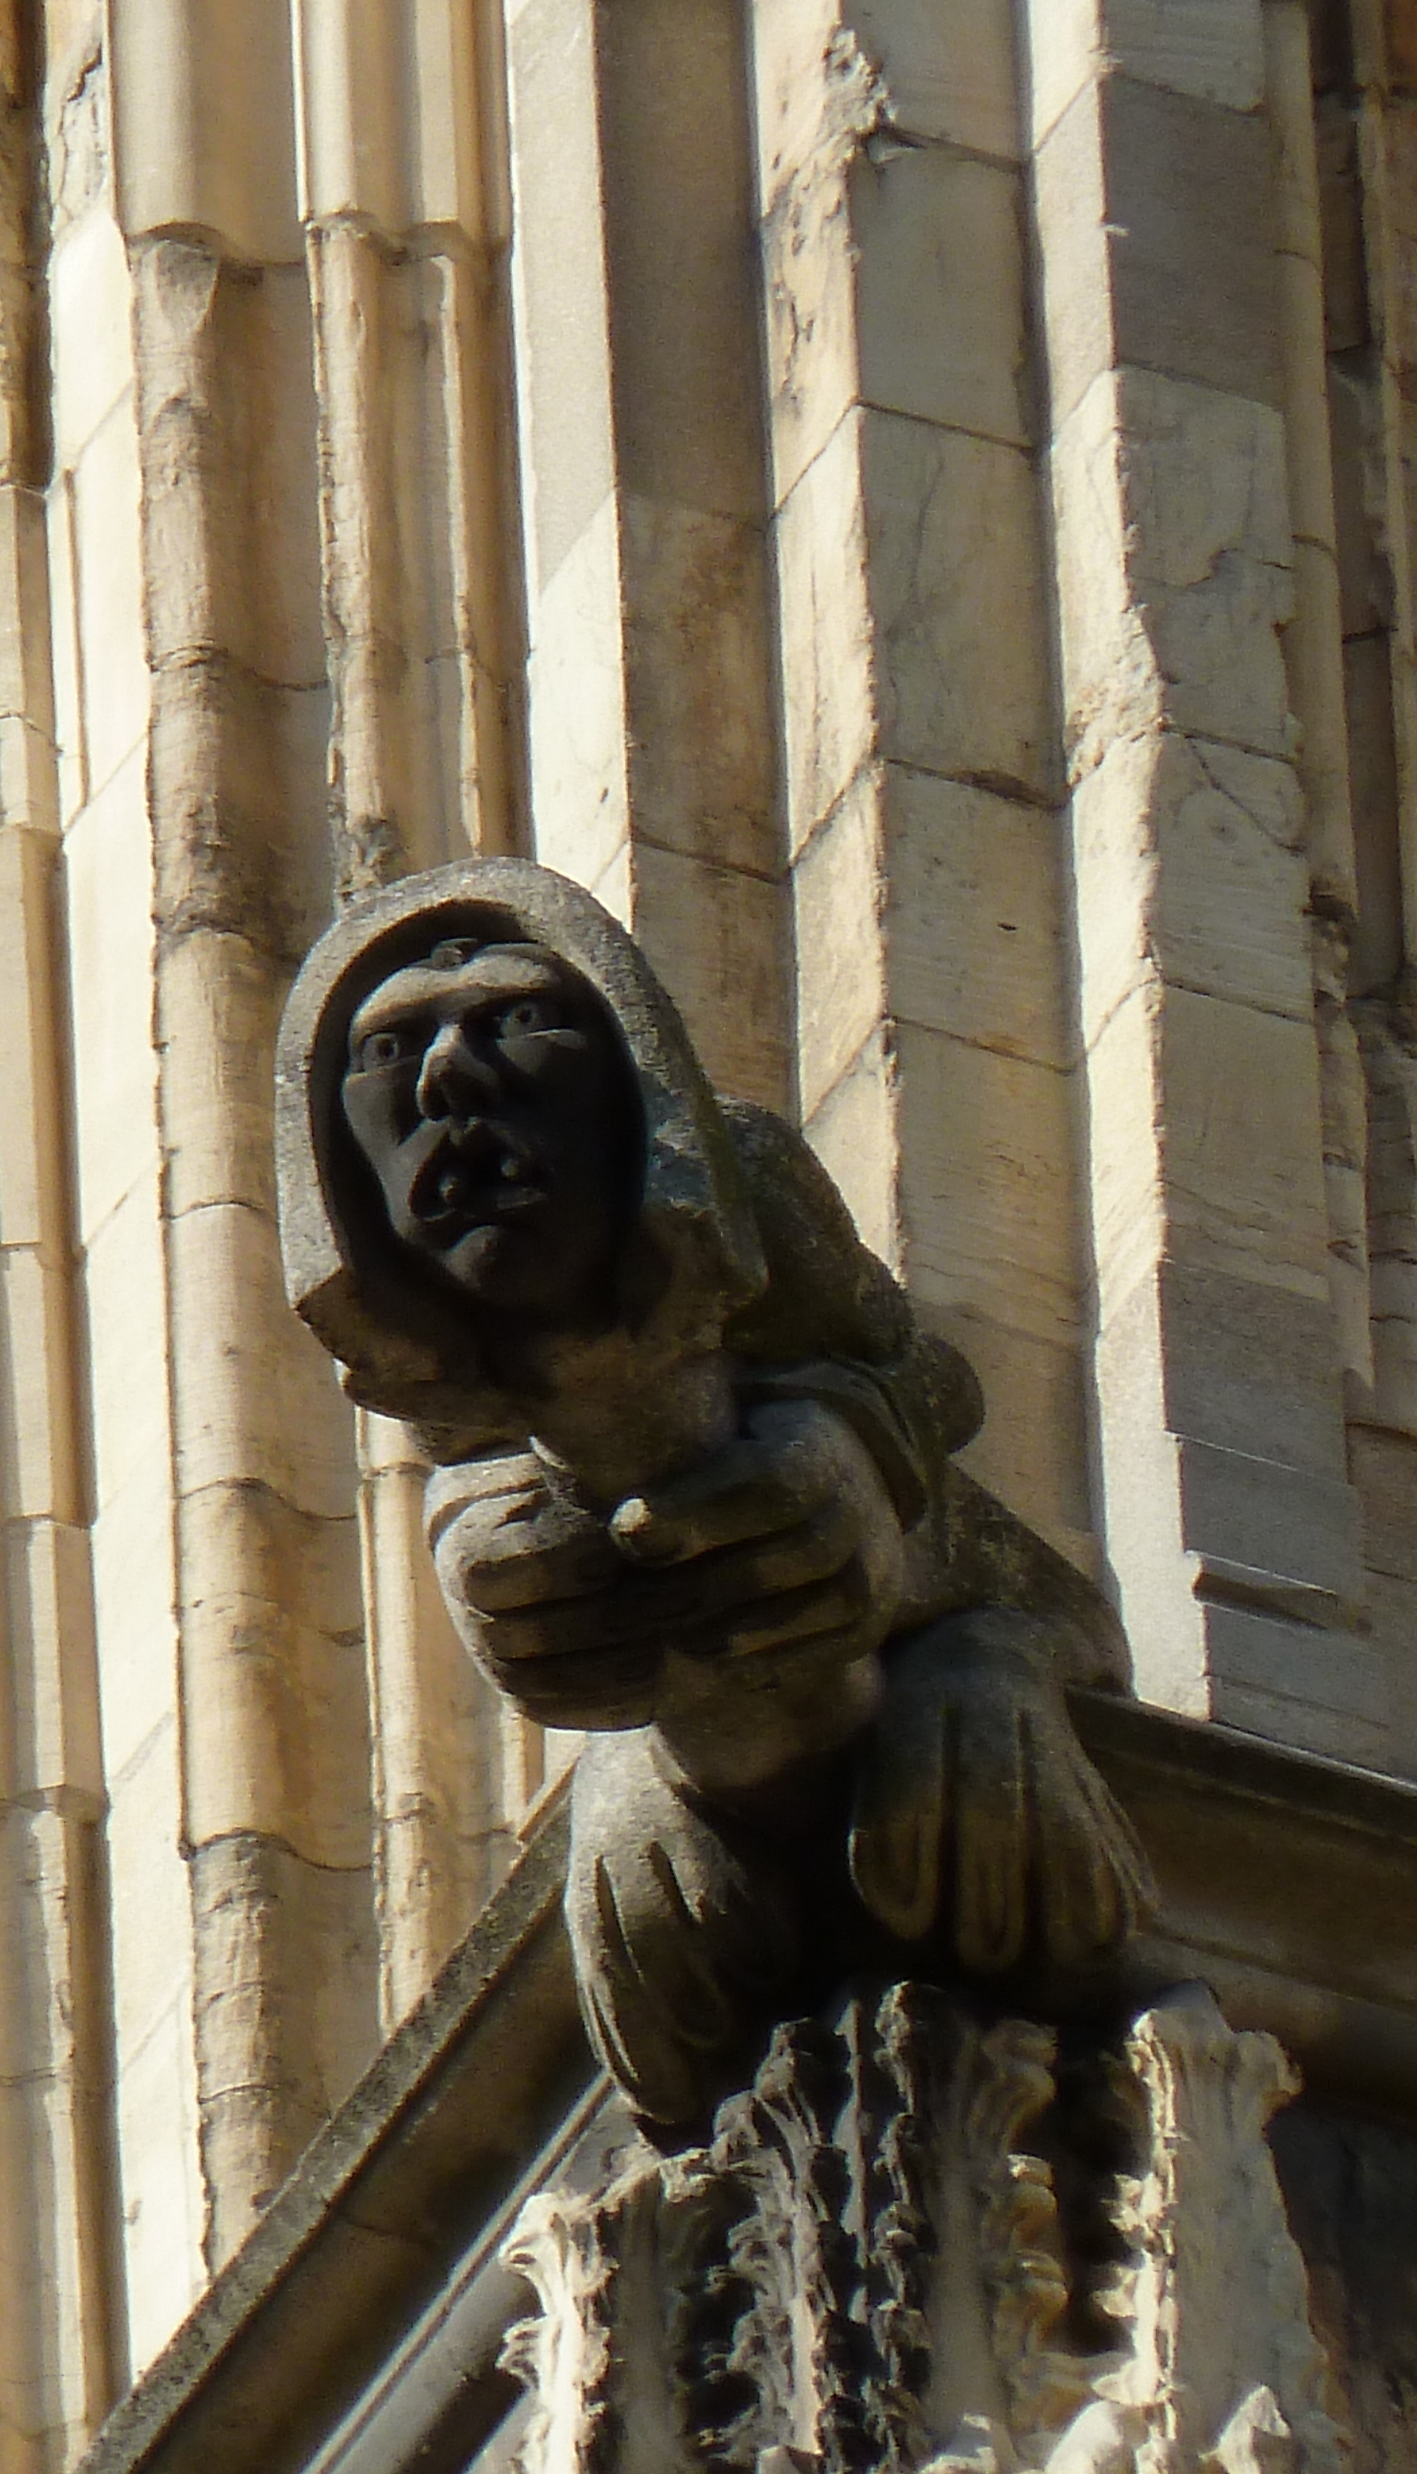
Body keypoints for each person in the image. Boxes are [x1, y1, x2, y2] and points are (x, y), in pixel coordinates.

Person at [278, 860, 1161, 2127]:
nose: (449, 1082)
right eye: (390, 1050)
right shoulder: (448, 1361)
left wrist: (845, 1440)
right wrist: (475, 1537)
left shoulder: (743, 1183)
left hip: (956, 1604)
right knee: (654, 1848)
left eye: (520, 1023)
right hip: (731, 1742)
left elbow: (933, 1379)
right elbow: (486, 1477)